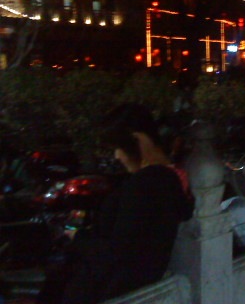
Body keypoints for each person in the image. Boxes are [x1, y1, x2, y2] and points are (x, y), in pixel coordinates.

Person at [38, 104, 194, 304]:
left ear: (139, 140)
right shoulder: (172, 180)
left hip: (106, 292)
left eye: (119, 147)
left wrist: (77, 237)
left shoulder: (145, 184)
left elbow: (118, 252)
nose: (117, 156)